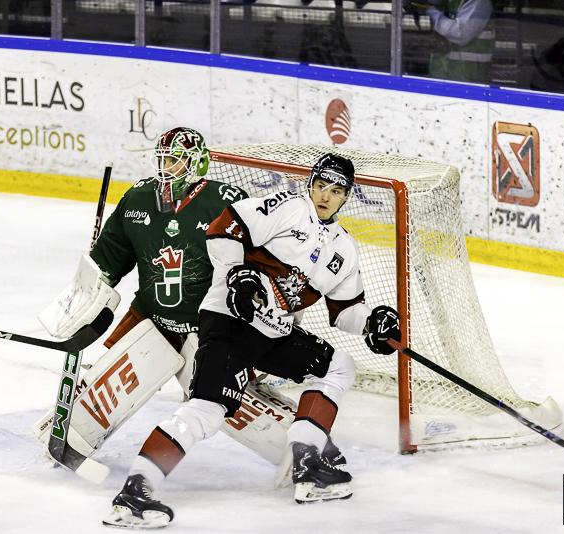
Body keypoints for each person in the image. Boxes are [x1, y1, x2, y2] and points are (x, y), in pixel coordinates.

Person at [103, 153, 402, 528]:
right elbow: (223, 228)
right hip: (231, 320)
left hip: (274, 334)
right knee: (207, 410)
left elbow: (344, 311)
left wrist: (373, 323)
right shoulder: (288, 208)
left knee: (337, 367)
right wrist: (237, 275)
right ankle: (134, 493)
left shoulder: (344, 248)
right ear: (310, 184)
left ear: (346, 196)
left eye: (336, 190)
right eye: (321, 185)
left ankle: (308, 466)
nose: (326, 195)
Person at [37, 127, 297, 475]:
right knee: (102, 392)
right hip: (151, 318)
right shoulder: (138, 199)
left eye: (174, 161)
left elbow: (260, 264)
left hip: (207, 326)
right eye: (162, 160)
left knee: (230, 406)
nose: (165, 168)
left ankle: (300, 445)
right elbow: (107, 261)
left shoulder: (226, 203)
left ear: (196, 164)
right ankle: (70, 437)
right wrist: (87, 295)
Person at [406, 0, 494, 84]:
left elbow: (460, 34)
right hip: (440, 77)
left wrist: (429, 10)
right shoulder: (447, 2)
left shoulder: (479, 2)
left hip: (469, 82)